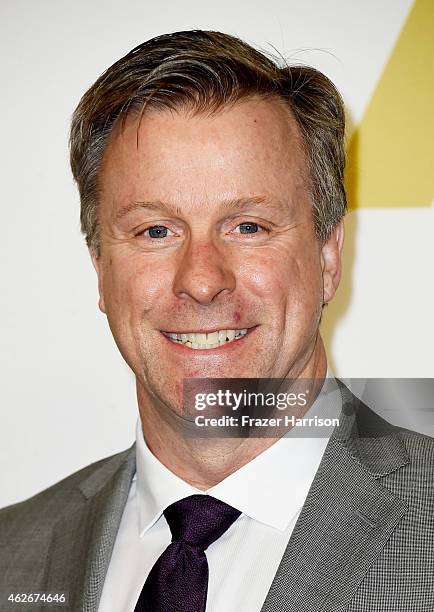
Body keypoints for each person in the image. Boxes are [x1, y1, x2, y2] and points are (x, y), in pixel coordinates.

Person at [0, 30, 433, 612]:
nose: (201, 280)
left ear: (328, 256)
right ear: (100, 265)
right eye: (155, 231)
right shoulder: (11, 553)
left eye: (248, 226)